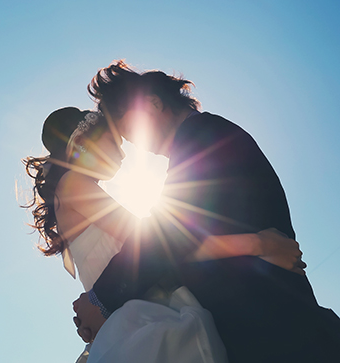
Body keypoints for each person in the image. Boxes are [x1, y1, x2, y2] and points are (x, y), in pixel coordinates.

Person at [71, 61, 340, 362]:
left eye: (131, 131)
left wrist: (101, 299)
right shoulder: (202, 136)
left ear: (153, 103)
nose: (138, 145)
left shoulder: (203, 135)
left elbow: (167, 234)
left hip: (276, 326)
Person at [24, 106, 303, 363]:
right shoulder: (76, 185)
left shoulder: (73, 191)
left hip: (133, 315)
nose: (123, 156)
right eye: (115, 143)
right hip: (147, 320)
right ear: (84, 145)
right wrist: (258, 244)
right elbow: (160, 244)